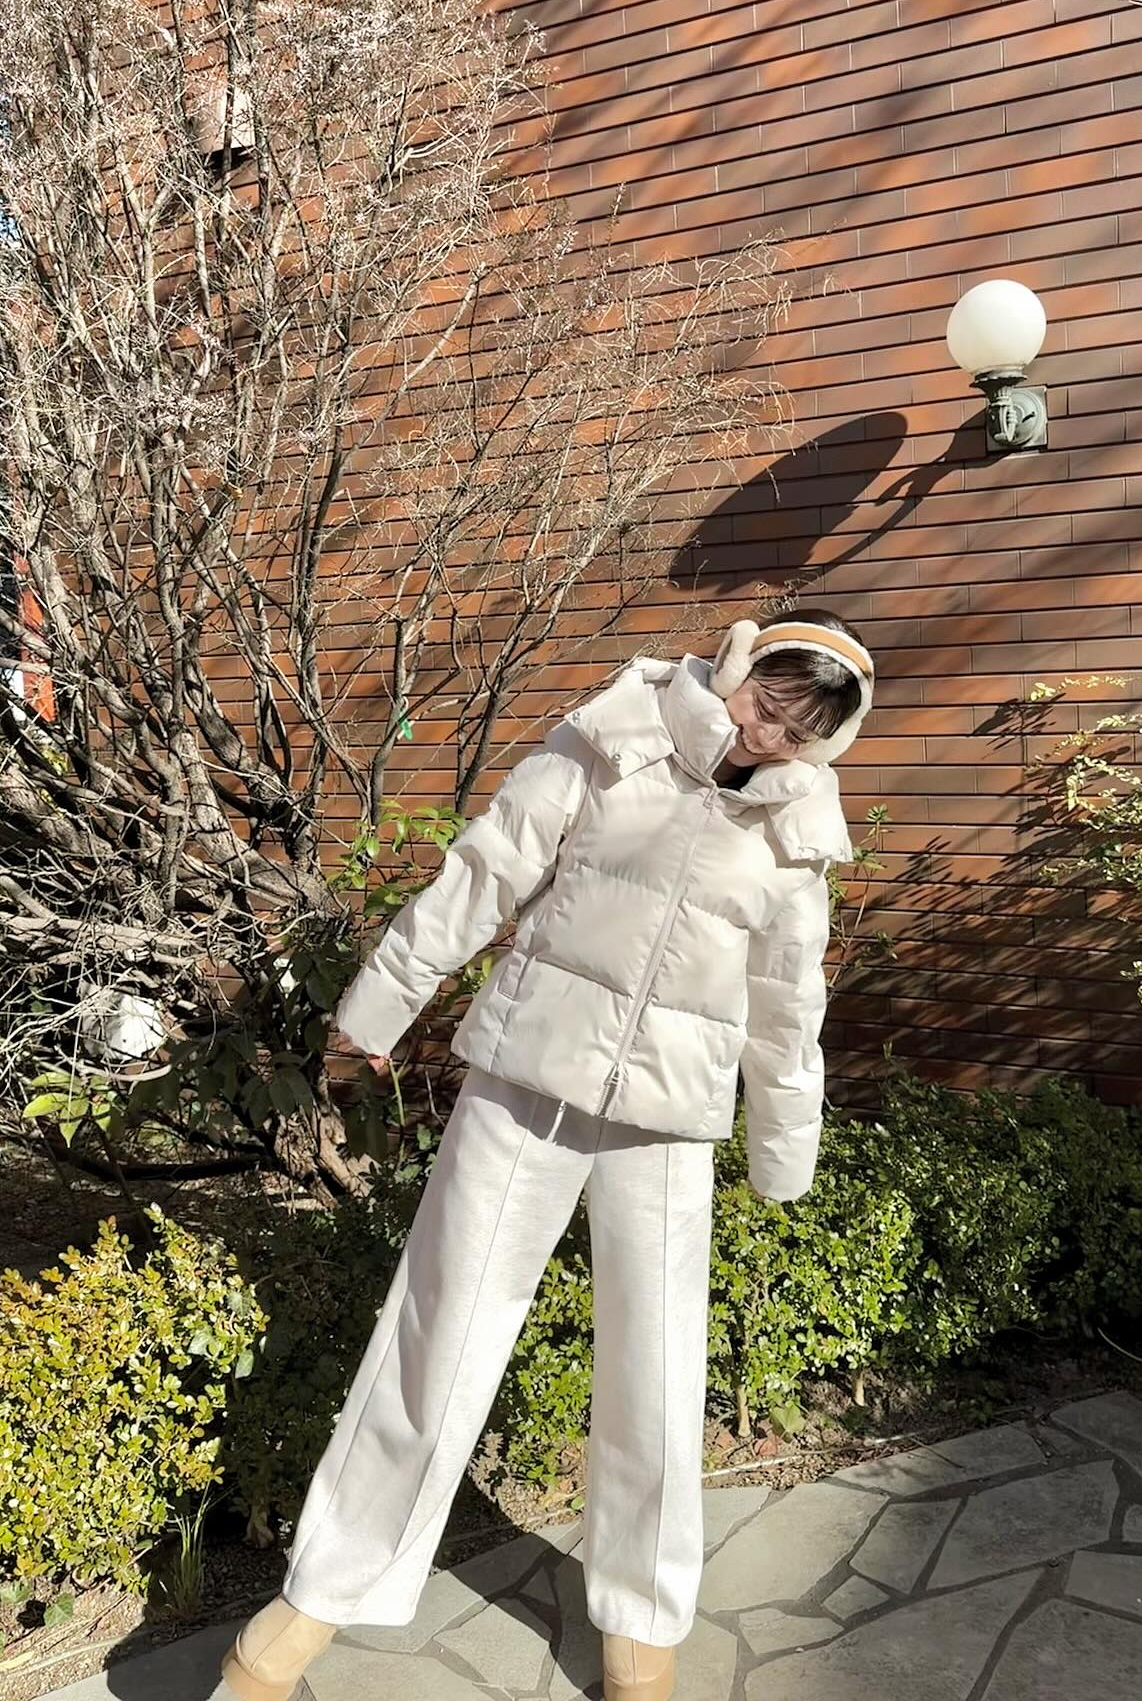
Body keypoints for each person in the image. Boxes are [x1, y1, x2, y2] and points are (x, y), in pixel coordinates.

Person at [222, 611, 875, 1701]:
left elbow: (786, 1001)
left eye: (802, 729)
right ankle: (322, 1593)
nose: (770, 735)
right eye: (768, 702)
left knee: (656, 1372)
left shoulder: (798, 832)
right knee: (439, 1329)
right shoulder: (615, 736)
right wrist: (381, 1004)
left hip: (668, 1116)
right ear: (737, 664)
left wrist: (782, 1147)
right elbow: (485, 871)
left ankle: (642, 1616)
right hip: (527, 1076)